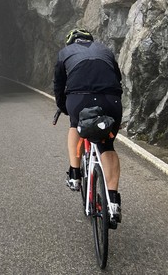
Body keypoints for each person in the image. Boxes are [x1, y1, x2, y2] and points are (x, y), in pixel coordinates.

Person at [53, 28, 123, 226]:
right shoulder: (105, 50)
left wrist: (63, 107)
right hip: (111, 99)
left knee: (75, 125)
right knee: (107, 144)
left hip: (79, 98)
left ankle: (75, 174)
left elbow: (59, 86)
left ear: (72, 42)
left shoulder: (65, 53)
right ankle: (113, 201)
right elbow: (117, 78)